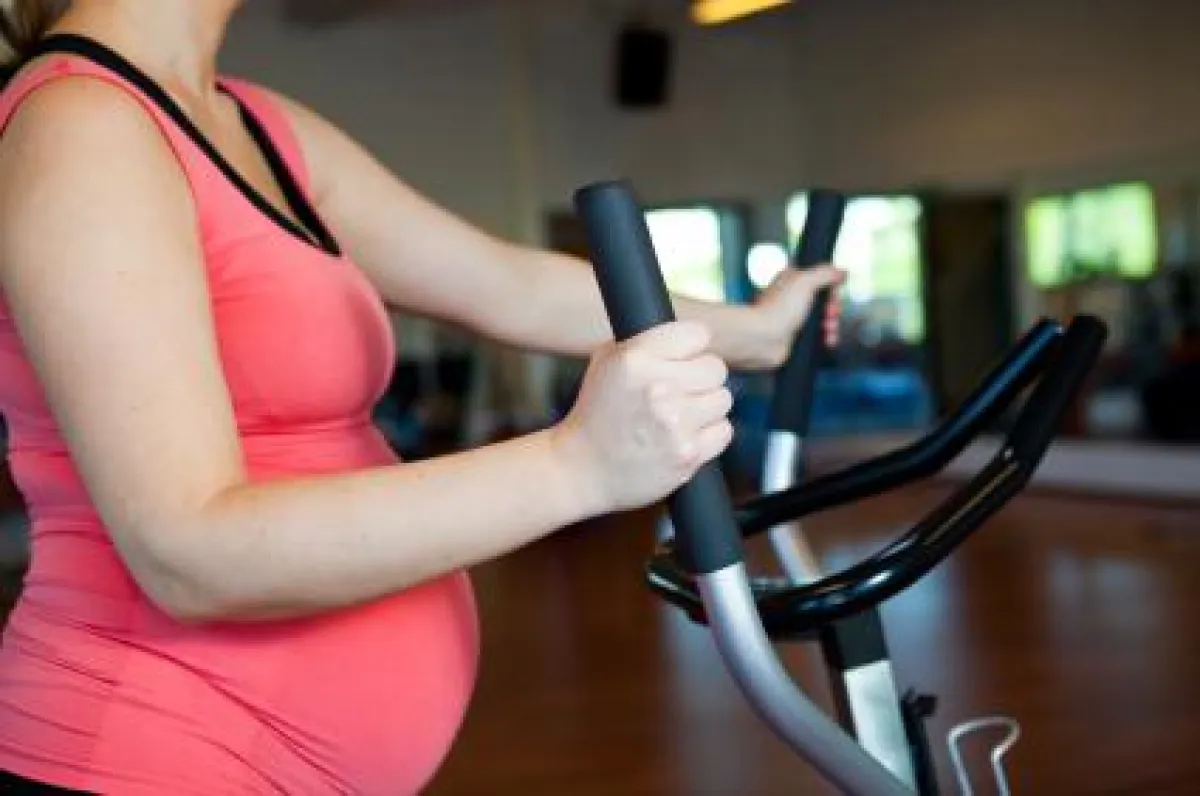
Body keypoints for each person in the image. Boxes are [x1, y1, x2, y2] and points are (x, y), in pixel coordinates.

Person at [0, 1, 844, 793]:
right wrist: (577, 464)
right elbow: (189, 552)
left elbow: (507, 285)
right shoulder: (82, 127)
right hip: (153, 756)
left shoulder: (254, 122)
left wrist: (756, 333)